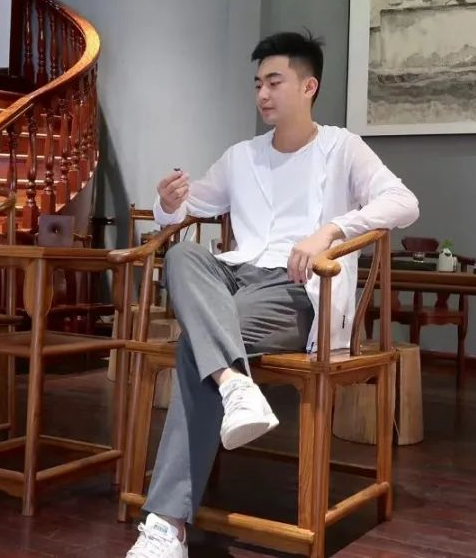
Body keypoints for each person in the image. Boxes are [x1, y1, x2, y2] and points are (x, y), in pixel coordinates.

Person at [126, 31, 419, 558]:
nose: (262, 93)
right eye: (258, 83)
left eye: (274, 82)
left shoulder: (341, 148)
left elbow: (404, 202)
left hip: (299, 289)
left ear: (309, 87)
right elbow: (189, 208)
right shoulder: (241, 156)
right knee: (184, 256)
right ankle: (234, 383)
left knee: (198, 343)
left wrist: (330, 230)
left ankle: (166, 524)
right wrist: (167, 201)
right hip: (236, 280)